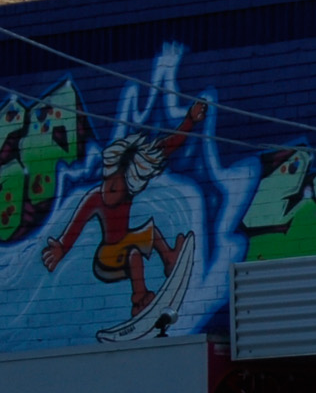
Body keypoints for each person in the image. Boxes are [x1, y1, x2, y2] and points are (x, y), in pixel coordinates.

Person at [41, 97, 208, 315]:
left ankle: (168, 258)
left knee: (150, 232)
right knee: (134, 255)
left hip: (124, 243)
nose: (106, 189)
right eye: (106, 180)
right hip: (106, 258)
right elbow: (78, 222)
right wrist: (62, 248)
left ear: (129, 182)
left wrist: (189, 120)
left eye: (113, 186)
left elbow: (165, 147)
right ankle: (139, 299)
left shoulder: (128, 189)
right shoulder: (95, 199)